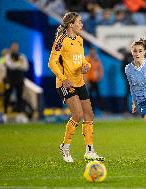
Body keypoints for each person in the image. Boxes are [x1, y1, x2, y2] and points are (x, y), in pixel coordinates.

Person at [48, 12, 104, 163]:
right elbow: (52, 62)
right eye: (79, 22)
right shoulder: (61, 40)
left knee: (89, 115)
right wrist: (63, 78)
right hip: (66, 83)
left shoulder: (79, 39)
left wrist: (87, 65)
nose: (81, 24)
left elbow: (81, 60)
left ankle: (90, 150)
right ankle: (65, 147)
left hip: (79, 82)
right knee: (78, 115)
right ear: (71, 24)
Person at [4, 42, 29, 113]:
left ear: (18, 47)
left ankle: (19, 112)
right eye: (13, 46)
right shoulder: (7, 56)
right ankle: (5, 112)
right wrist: (19, 64)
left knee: (20, 96)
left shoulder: (22, 56)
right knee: (7, 95)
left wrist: (15, 65)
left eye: (16, 46)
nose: (14, 48)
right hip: (10, 79)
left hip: (19, 79)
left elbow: (26, 67)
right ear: (11, 47)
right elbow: (10, 66)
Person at [85, 47, 103, 112]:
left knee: (98, 95)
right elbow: (85, 71)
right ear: (90, 51)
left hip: (95, 80)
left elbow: (100, 69)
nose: (93, 52)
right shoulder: (87, 59)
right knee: (89, 95)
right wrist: (86, 80)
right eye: (92, 51)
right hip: (89, 80)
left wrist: (99, 77)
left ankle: (100, 109)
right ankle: (90, 109)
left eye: (94, 51)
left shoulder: (96, 59)